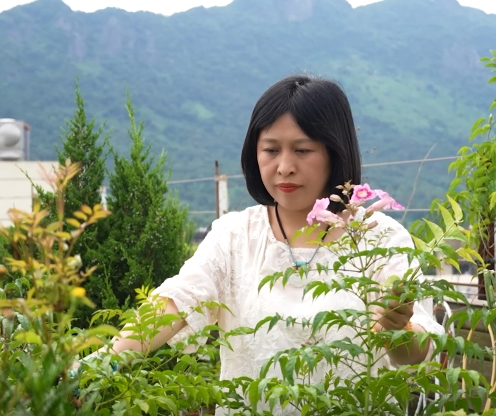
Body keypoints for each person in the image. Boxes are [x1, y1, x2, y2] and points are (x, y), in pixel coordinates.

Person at [77, 74, 445, 414]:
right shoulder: (235, 236)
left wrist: (397, 329)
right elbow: (176, 303)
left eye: (302, 150)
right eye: (270, 150)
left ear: (335, 152)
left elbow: (415, 354)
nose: (284, 167)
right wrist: (98, 366)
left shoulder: (380, 238)